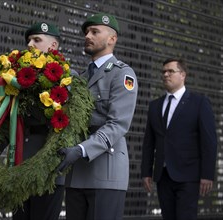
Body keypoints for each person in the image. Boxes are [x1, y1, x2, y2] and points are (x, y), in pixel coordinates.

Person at [57, 13, 138, 220]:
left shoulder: (122, 74)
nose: (87, 36)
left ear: (112, 39)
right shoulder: (82, 77)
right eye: (86, 32)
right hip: (77, 175)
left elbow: (118, 124)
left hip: (106, 173)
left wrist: (82, 149)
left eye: (94, 32)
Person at [141, 58, 217, 220]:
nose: (165, 74)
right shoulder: (155, 105)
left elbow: (209, 142)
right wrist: (146, 172)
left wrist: (207, 174)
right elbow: (149, 142)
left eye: (170, 71)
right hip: (163, 176)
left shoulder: (199, 103)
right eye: (163, 72)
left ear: (183, 75)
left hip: (189, 176)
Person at [12, 22, 65, 220]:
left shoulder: (67, 78)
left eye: (37, 40)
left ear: (53, 47)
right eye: (28, 40)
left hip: (48, 170)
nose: (30, 44)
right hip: (20, 167)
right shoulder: (16, 78)